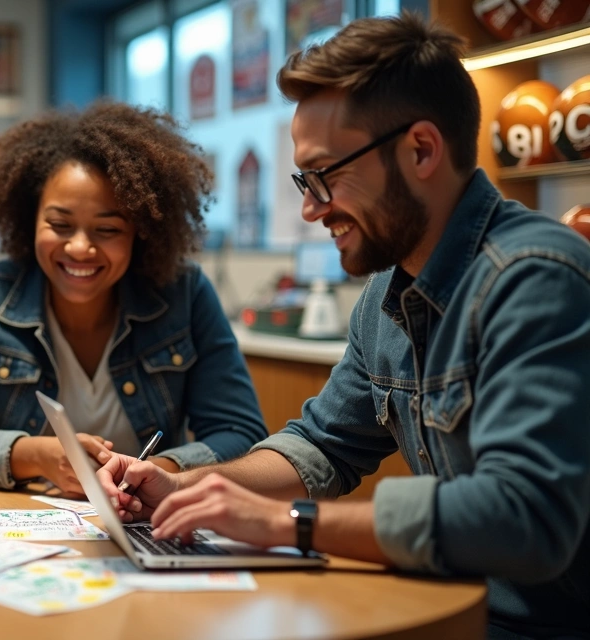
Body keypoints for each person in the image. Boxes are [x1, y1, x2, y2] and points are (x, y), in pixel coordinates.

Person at [99, 14, 590, 639]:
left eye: (325, 175)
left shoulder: (536, 278)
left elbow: (525, 518)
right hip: (448, 605)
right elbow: (322, 445)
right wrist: (185, 485)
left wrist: (288, 524)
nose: (310, 207)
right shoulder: (387, 291)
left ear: (420, 150)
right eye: (305, 181)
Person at [0, 102, 268, 494]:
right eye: (59, 225)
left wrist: (155, 473)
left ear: (140, 232)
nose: (80, 248)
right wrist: (39, 456)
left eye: (107, 230)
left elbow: (240, 433)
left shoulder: (185, 293)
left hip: (149, 519)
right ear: (29, 217)